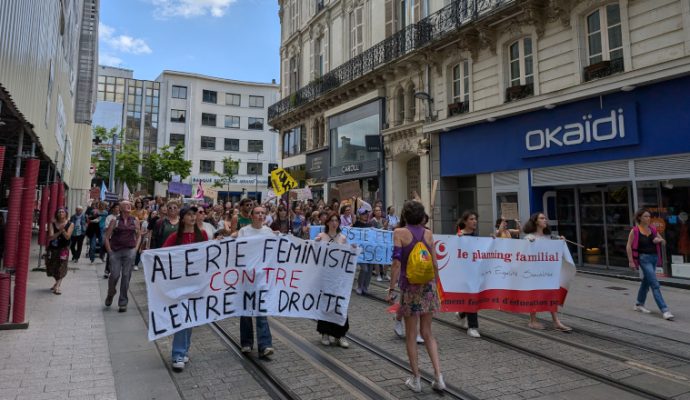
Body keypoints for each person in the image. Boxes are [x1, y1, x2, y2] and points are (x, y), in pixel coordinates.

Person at [386, 201, 445, 393]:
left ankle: (416, 378)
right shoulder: (428, 233)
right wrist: (437, 285)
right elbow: (435, 263)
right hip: (428, 288)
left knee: (411, 335)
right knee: (428, 333)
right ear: (421, 217)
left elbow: (396, 263)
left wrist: (391, 288)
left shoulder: (399, 233)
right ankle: (438, 376)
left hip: (409, 288)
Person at [162, 206, 209, 372]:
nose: (193, 217)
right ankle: (178, 354)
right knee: (182, 316)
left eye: (194, 214)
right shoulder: (175, 236)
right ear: (183, 218)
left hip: (197, 283)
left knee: (191, 318)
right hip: (181, 283)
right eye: (189, 214)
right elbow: (163, 254)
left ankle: (185, 349)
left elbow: (208, 254)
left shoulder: (201, 235)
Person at [236, 205, 275, 358]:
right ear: (251, 215)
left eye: (262, 213)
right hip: (246, 277)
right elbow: (237, 250)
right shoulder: (244, 231)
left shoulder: (269, 232)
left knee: (261, 310)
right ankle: (246, 342)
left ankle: (265, 344)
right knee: (246, 309)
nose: (260, 215)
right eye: (257, 213)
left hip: (262, 277)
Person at [523, 212, 573, 331]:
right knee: (534, 295)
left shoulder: (548, 237)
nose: (545, 220)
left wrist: (561, 242)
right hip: (534, 272)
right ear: (535, 221)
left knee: (551, 295)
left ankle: (556, 321)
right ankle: (533, 321)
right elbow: (524, 255)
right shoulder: (529, 238)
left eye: (545, 218)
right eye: (542, 218)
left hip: (547, 272)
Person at [626, 208, 674, 320]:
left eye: (649, 216)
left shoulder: (652, 229)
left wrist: (659, 240)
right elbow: (628, 245)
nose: (648, 218)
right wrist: (631, 261)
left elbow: (663, 241)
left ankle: (639, 304)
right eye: (645, 216)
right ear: (639, 218)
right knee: (655, 284)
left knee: (646, 282)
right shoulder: (635, 230)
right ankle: (665, 310)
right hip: (644, 259)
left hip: (654, 258)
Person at [314, 212, 350, 348]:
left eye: (336, 220)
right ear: (327, 222)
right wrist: (315, 243)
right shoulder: (321, 237)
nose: (334, 223)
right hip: (325, 276)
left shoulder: (343, 238)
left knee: (340, 304)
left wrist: (351, 249)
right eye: (332, 220)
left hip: (339, 277)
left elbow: (347, 255)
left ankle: (340, 335)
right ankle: (325, 333)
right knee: (326, 302)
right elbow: (314, 252)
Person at [103, 200, 141, 313]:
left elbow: (139, 236)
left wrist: (135, 249)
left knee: (126, 276)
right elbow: (106, 237)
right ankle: (111, 293)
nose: (129, 206)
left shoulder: (135, 220)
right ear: (120, 208)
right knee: (114, 275)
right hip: (116, 252)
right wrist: (110, 252)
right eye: (125, 204)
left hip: (129, 251)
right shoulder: (115, 220)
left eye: (130, 204)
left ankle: (123, 302)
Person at [455, 210, 482, 338]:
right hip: (464, 272)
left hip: (475, 271)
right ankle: (472, 326)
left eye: (475, 219)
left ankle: (461, 314)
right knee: (472, 297)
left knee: (473, 297)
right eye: (471, 219)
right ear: (465, 221)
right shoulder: (460, 236)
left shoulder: (476, 236)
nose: (474, 221)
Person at [46, 208, 73, 295]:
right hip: (53, 248)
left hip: (64, 248)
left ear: (66, 214)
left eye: (63, 212)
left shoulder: (70, 224)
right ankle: (56, 282)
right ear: (56, 214)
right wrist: (60, 231)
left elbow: (68, 237)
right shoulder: (52, 224)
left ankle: (57, 286)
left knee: (62, 266)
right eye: (59, 212)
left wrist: (63, 230)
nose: (61, 213)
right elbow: (51, 237)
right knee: (52, 267)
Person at [353, 208, 374, 295]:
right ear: (359, 215)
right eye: (363, 214)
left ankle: (365, 287)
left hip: (369, 251)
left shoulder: (370, 225)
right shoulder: (356, 224)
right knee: (364, 269)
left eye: (366, 214)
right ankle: (359, 286)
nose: (365, 215)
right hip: (360, 251)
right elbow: (352, 234)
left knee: (369, 270)